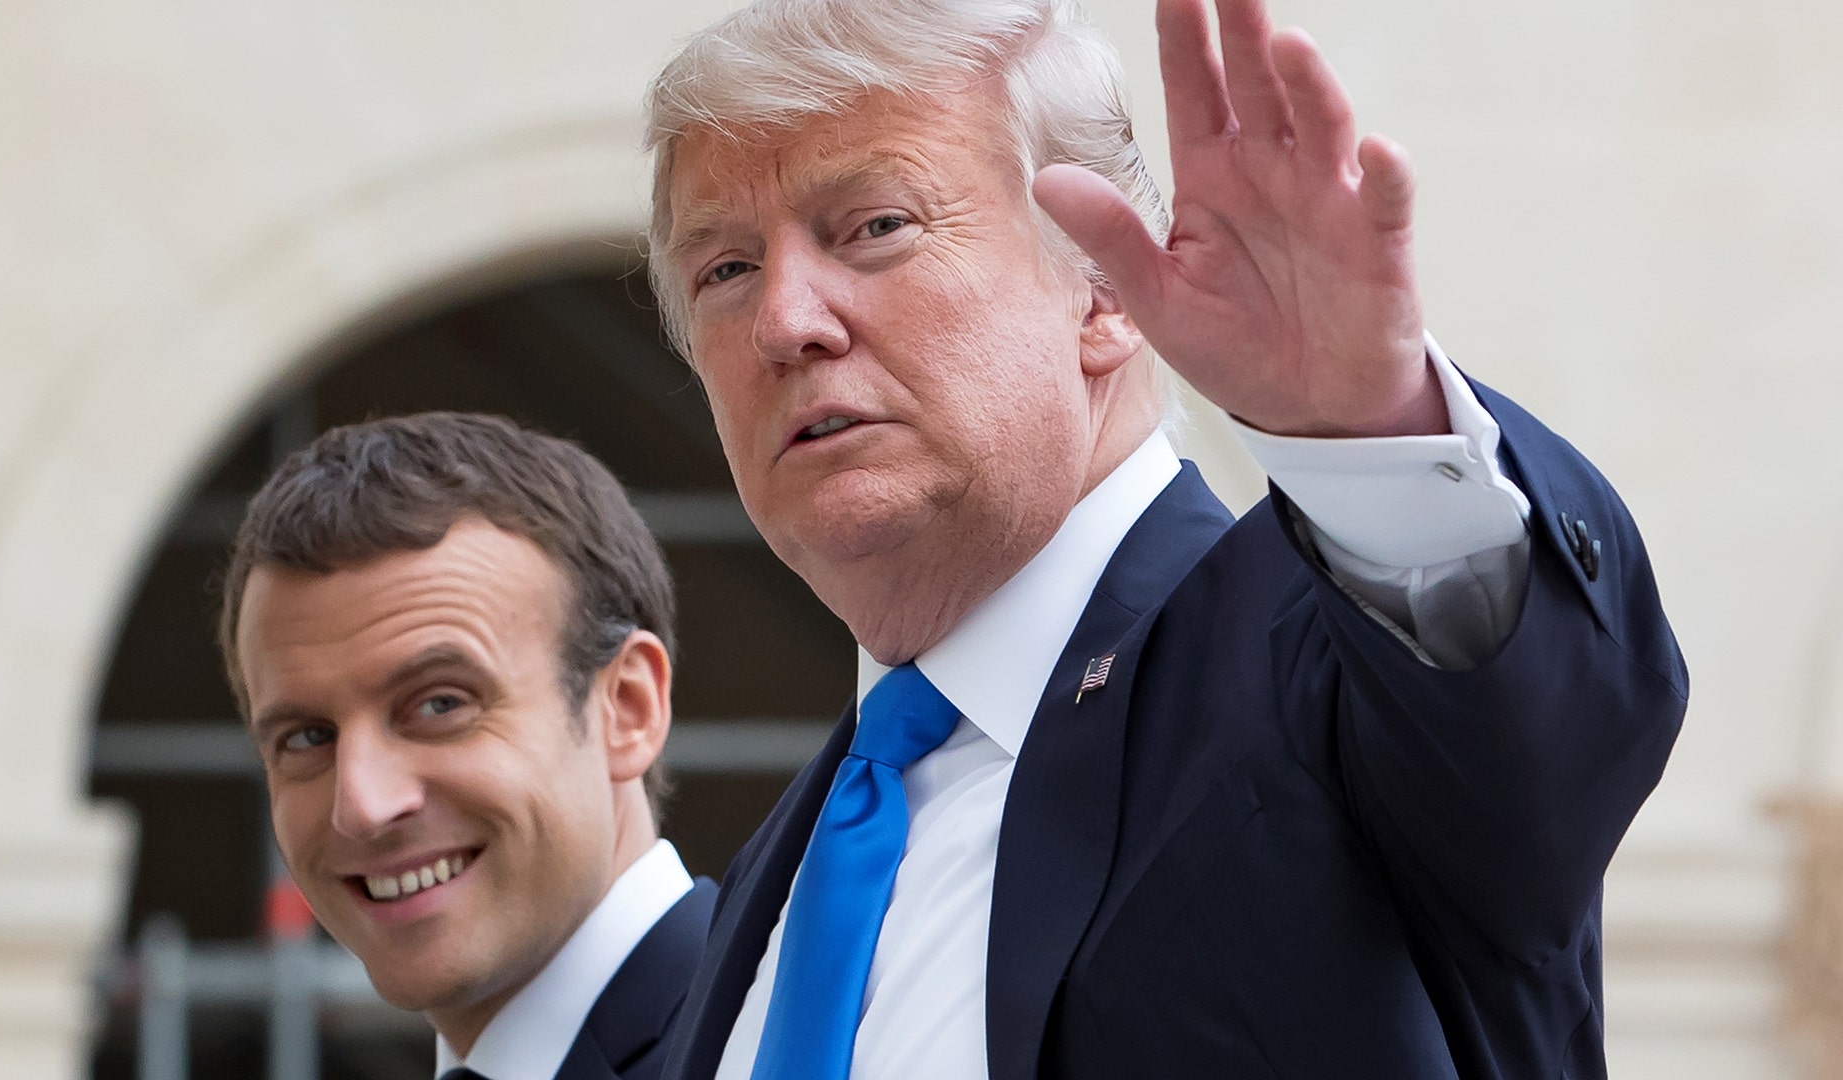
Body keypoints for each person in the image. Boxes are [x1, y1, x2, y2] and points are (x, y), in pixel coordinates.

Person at [642, 0, 1686, 1078]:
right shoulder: (788, 870)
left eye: (874, 226)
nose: (783, 321)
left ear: (1101, 295)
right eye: (724, 270)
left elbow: (1544, 727)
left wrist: (1370, 434)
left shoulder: (1325, 669)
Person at [220, 412, 715, 1080]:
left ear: (627, 708)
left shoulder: (796, 1043)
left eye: (440, 704)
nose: (362, 804)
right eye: (308, 737)